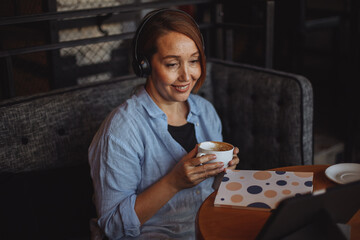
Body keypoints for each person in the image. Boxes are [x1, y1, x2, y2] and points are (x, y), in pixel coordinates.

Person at [88, 8, 239, 239]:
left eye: (194, 61)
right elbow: (112, 227)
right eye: (172, 64)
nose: (186, 76)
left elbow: (212, 192)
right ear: (145, 65)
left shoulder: (205, 111)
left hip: (207, 228)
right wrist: (173, 182)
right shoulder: (121, 130)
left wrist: (221, 173)